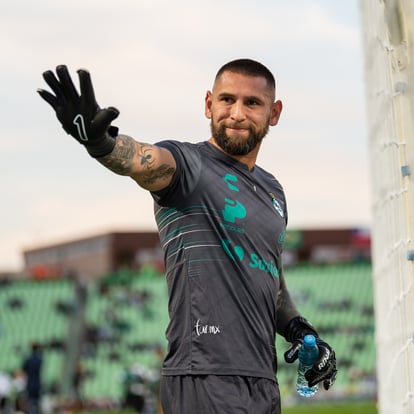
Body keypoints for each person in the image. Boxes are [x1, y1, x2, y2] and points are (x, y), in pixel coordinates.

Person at [37, 59, 337, 414]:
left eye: (252, 103)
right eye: (227, 100)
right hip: (204, 376)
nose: (237, 113)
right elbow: (138, 159)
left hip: (262, 380)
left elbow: (270, 281)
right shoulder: (188, 166)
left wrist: (301, 330)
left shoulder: (274, 192)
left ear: (274, 112)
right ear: (209, 104)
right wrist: (100, 142)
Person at [22, 343, 43, 414]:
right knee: (36, 402)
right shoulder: (39, 359)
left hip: (30, 382)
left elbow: (24, 369)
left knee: (30, 401)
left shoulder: (28, 359)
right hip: (37, 382)